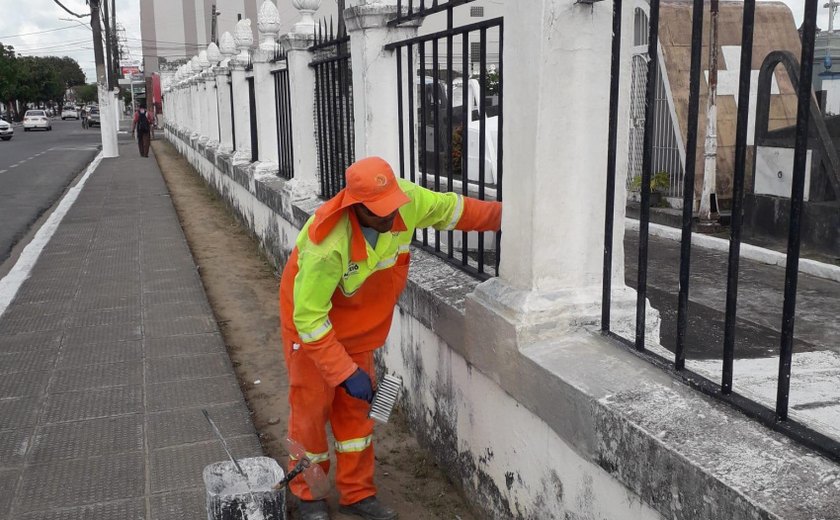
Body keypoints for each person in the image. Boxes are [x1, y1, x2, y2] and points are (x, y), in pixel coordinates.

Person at [279, 156, 502, 520]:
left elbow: (454, 210)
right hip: (311, 332)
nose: (388, 219)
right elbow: (308, 317)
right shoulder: (328, 244)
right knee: (310, 413)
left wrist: (510, 216)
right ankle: (309, 495)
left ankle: (357, 494)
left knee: (356, 419)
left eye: (391, 209)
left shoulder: (406, 203)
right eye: (377, 213)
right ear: (356, 207)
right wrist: (341, 371)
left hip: (359, 333)